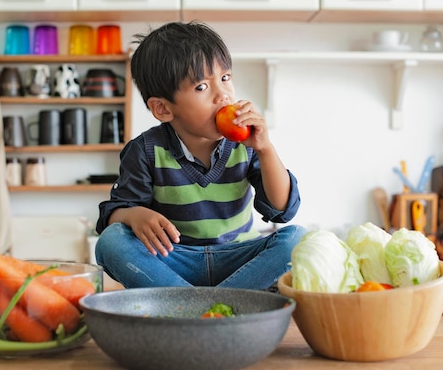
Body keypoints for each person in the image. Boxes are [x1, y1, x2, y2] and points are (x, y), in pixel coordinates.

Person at [95, 21, 306, 290]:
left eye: (225, 78)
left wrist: (265, 148)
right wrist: (133, 215)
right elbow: (112, 213)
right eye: (201, 87)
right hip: (175, 263)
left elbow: (281, 211)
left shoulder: (247, 144)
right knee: (111, 241)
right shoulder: (145, 150)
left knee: (298, 240)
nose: (223, 95)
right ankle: (218, 306)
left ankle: (193, 307)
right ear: (163, 109)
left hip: (239, 261)